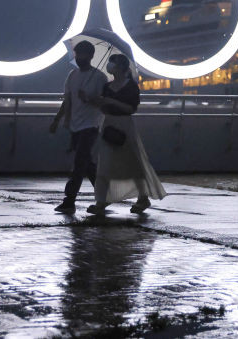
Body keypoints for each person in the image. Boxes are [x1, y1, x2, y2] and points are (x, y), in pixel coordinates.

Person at [86, 53, 166, 215]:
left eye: (112, 63)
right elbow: (103, 107)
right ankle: (102, 200)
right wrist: (93, 100)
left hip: (125, 125)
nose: (109, 66)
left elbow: (131, 109)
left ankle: (142, 197)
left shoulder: (131, 86)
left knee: (133, 163)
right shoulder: (107, 87)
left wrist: (111, 101)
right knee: (105, 163)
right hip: (109, 124)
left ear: (121, 67)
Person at [49, 40, 108, 213]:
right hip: (75, 125)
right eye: (77, 54)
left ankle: (69, 201)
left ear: (90, 56)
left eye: (81, 54)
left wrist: (88, 98)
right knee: (86, 163)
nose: (78, 58)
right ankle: (104, 195)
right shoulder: (72, 76)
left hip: (91, 125)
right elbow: (67, 101)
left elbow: (104, 103)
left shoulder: (99, 77)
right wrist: (57, 120)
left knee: (79, 162)